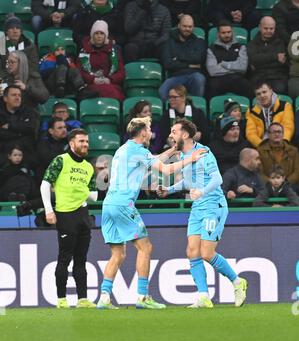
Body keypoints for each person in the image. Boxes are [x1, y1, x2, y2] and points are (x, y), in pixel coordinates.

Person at [97, 116, 207, 309]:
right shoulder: (139, 150)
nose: (151, 132)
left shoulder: (124, 149)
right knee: (145, 248)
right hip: (124, 204)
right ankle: (142, 297)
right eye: (148, 128)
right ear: (142, 133)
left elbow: (153, 161)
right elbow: (164, 170)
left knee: (118, 254)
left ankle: (104, 297)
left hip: (109, 205)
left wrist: (173, 150)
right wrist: (190, 158)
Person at [157, 118, 248, 308]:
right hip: (198, 207)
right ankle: (204, 296)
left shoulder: (204, 152)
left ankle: (238, 282)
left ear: (185, 135)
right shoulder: (184, 155)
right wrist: (169, 189)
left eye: (174, 131)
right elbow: (188, 182)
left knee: (207, 253)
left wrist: (202, 192)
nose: (171, 135)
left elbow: (217, 179)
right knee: (192, 251)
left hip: (213, 205)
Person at [40, 128, 97, 309]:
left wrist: (84, 190)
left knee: (81, 259)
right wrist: (49, 210)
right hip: (65, 214)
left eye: (87, 141)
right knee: (65, 257)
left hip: (83, 214)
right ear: (72, 143)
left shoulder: (88, 167)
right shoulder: (60, 160)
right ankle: (61, 299)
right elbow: (45, 184)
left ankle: (82, 299)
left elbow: (94, 196)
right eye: (81, 141)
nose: (85, 144)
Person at [159, 14, 206, 101]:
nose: (187, 29)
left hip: (193, 75)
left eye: (190, 27)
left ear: (193, 27)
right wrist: (189, 65)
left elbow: (198, 59)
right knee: (163, 90)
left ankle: (194, 110)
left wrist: (177, 58)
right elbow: (167, 64)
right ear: (178, 25)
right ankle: (170, 112)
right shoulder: (168, 42)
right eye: (184, 26)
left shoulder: (199, 42)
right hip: (175, 76)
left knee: (199, 79)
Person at [78, 20, 125, 101]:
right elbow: (80, 71)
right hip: (91, 85)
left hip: (111, 84)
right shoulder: (84, 52)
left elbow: (121, 72)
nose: (99, 36)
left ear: (105, 36)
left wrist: (110, 79)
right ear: (92, 35)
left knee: (112, 92)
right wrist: (93, 79)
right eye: (96, 33)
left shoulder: (114, 52)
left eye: (102, 33)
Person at [206, 20, 253, 99]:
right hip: (219, 80)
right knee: (210, 88)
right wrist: (234, 68)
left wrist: (224, 64)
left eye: (229, 32)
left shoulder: (241, 47)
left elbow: (243, 68)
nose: (227, 35)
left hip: (237, 79)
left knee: (249, 87)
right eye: (223, 33)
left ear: (232, 32)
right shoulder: (211, 49)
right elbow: (213, 71)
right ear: (218, 34)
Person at [159, 85, 211, 150]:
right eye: (170, 97)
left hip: (195, 148)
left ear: (183, 98)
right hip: (173, 149)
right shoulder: (166, 115)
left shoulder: (198, 113)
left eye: (174, 97)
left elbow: (205, 134)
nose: (171, 100)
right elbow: (165, 137)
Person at [0, 85, 40, 168]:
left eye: (19, 95)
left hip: (27, 153)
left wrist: (10, 126)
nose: (17, 98)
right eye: (14, 95)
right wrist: (21, 132)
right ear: (5, 98)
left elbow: (31, 127)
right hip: (4, 154)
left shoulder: (29, 112)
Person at [246, 81, 295, 148]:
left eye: (264, 92)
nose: (262, 96)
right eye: (258, 94)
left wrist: (283, 143)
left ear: (271, 91)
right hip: (261, 145)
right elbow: (250, 133)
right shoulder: (251, 111)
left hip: (281, 142)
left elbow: (288, 127)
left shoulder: (285, 106)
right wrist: (262, 146)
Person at [247, 16, 288, 94]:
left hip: (277, 77)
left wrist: (261, 59)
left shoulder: (281, 42)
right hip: (259, 77)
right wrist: (275, 56)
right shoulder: (252, 44)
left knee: (280, 89)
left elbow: (281, 62)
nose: (269, 31)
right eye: (266, 28)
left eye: (271, 28)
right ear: (260, 27)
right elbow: (253, 59)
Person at [257, 122, 299, 189]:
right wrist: (271, 182)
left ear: (283, 134)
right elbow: (259, 172)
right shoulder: (260, 151)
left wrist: (286, 182)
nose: (277, 134)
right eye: (274, 132)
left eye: (279, 132)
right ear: (268, 134)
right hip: (267, 187)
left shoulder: (293, 151)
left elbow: (298, 171)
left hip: (290, 187)